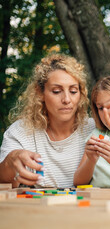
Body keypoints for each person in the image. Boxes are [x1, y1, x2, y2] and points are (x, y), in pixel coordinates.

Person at [0, 54, 95, 188]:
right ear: (40, 93)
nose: (67, 99)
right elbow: (3, 181)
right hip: (36, 209)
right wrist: (11, 161)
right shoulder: (20, 132)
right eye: (57, 91)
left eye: (73, 91)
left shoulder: (94, 129)